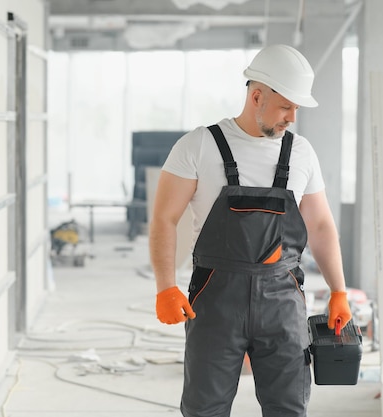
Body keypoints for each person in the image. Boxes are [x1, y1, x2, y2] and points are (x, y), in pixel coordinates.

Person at [149, 44, 352, 417]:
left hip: (282, 298)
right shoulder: (198, 146)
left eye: (297, 109)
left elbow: (320, 225)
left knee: (288, 407)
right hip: (215, 297)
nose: (292, 117)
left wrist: (338, 289)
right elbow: (164, 218)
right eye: (286, 106)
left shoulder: (302, 153)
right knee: (204, 408)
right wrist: (165, 286)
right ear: (257, 96)